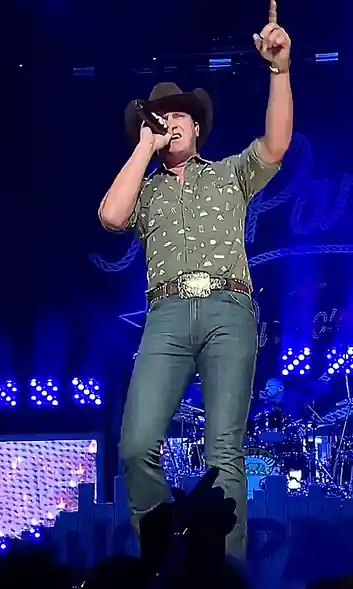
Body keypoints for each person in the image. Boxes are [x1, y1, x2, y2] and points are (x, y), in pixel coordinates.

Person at [98, 1, 293, 558]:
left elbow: (276, 144)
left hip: (228, 309)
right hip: (165, 315)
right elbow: (111, 215)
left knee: (223, 451)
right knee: (136, 446)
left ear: (198, 127)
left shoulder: (229, 173)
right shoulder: (145, 188)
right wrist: (144, 146)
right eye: (161, 116)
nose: (171, 120)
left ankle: (221, 575)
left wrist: (279, 70)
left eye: (180, 114)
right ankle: (161, 564)